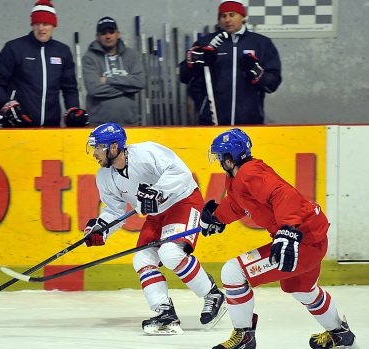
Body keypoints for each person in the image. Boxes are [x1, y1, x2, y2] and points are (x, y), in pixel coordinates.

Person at [200, 128, 357, 349]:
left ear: (229, 158)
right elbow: (238, 204)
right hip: (311, 239)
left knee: (233, 272)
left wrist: (288, 230)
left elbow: (283, 194)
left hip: (300, 240)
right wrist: (217, 218)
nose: (218, 161)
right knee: (302, 290)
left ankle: (244, 336)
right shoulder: (238, 178)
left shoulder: (250, 172)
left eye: (219, 156)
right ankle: (340, 334)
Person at [84, 122, 226, 335]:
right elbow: (114, 211)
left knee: (170, 253)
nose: (94, 154)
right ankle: (165, 312)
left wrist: (157, 190)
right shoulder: (104, 176)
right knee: (142, 259)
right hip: (157, 213)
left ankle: (212, 294)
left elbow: (181, 173)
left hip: (183, 201)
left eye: (97, 148)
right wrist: (101, 228)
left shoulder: (146, 152)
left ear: (113, 147)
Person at [0, 0, 88, 128]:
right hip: (18, 126)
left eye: (46, 24)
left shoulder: (62, 52)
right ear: (32, 25)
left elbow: (70, 88)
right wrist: (7, 106)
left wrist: (73, 110)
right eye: (37, 23)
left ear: (53, 25)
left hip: (51, 127)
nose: (41, 28)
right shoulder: (14, 48)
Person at [179, 0, 282, 125]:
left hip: (250, 120)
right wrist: (193, 62)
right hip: (212, 120)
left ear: (243, 18)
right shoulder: (205, 43)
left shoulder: (261, 43)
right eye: (223, 16)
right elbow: (184, 76)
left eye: (232, 15)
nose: (227, 20)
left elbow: (273, 85)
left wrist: (258, 73)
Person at [82, 17, 145, 126]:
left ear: (118, 34)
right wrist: (128, 88)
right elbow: (94, 89)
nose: (108, 36)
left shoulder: (132, 55)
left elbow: (140, 82)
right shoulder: (89, 57)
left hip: (129, 123)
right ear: (97, 36)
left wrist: (107, 80)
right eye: (103, 33)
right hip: (99, 125)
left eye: (111, 32)